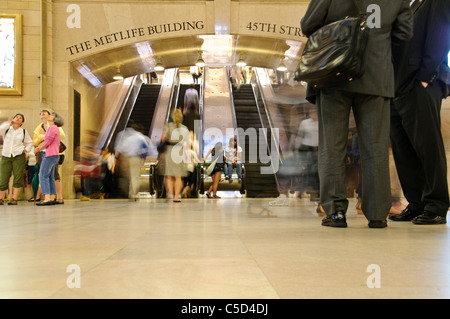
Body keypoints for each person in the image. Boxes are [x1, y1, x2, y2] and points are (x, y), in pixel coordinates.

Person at [301, 0, 413, 228]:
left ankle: (335, 212)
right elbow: (403, 34)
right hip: (376, 76)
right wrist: (375, 44)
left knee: (332, 148)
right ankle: (377, 214)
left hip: (335, 74)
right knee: (376, 148)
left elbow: (308, 25)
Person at [389, 0, 450, 225]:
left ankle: (437, 204)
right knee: (403, 148)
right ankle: (416, 203)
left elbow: (441, 36)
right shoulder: (405, 4)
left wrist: (425, 77)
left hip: (420, 82)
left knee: (428, 146)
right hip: (395, 84)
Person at [32, 109, 66, 203]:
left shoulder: (52, 128)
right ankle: (51, 197)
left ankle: (46, 198)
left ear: (55, 119)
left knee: (43, 175)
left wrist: (38, 148)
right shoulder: (52, 128)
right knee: (50, 176)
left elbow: (47, 142)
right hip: (54, 154)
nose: (50, 116)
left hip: (50, 154)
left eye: (52, 115)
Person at [0, 114, 33, 205]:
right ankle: (1, 198)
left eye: (20, 118)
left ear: (22, 122)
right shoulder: (7, 129)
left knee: (18, 176)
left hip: (18, 155)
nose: (18, 119)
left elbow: (30, 143)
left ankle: (14, 198)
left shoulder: (23, 131)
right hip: (6, 155)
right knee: (3, 177)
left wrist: (26, 150)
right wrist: (8, 123)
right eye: (16, 117)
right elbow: (0, 130)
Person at [115, 121, 151, 200]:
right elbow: (148, 148)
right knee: (135, 177)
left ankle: (131, 193)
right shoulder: (142, 137)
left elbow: (123, 148)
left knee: (131, 176)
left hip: (130, 158)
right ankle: (134, 193)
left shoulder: (129, 138)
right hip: (138, 158)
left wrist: (117, 158)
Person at [161, 109, 189, 202]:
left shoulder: (168, 126)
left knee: (169, 175)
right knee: (178, 176)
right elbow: (187, 143)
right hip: (179, 151)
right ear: (181, 117)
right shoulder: (184, 128)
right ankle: (176, 197)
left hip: (170, 150)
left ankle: (170, 194)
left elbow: (163, 138)